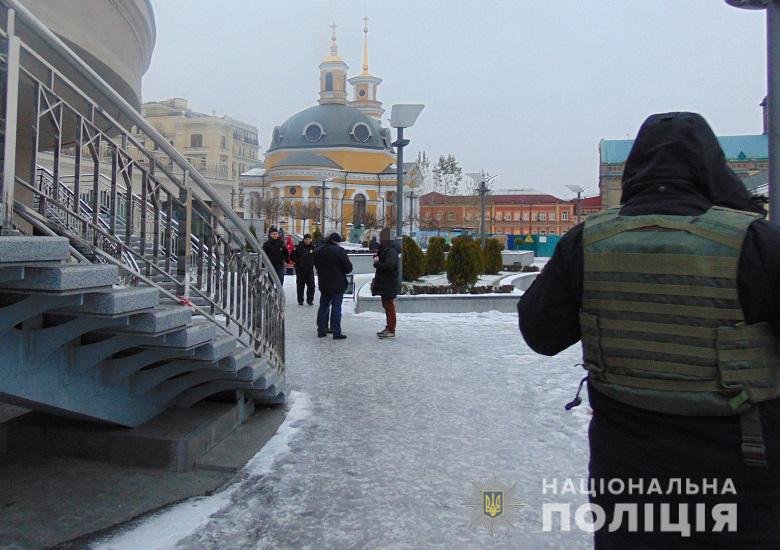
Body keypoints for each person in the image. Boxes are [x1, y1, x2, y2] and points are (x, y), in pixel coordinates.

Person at [518, 112, 780, 548]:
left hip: (626, 473)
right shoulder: (756, 243)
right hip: (744, 473)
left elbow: (540, 334)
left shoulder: (587, 242)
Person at [313, 232, 353, 340]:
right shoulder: (340, 251)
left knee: (323, 306)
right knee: (336, 307)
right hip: (337, 284)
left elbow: (316, 265)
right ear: (336, 241)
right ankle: (336, 332)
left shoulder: (319, 250)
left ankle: (321, 330)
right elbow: (348, 268)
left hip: (324, 283)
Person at [371, 228, 400, 338]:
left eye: (382, 237)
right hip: (386, 283)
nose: (380, 240)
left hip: (389, 283)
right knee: (387, 306)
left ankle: (391, 329)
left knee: (389, 306)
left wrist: (377, 263)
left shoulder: (391, 251)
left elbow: (389, 266)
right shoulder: (386, 249)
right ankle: (389, 327)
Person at [293, 233, 316, 306]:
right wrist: (299, 261)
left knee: (311, 285)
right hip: (300, 269)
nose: (308, 241)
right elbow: (293, 256)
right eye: (306, 239)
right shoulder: (299, 247)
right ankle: (300, 300)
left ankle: (310, 300)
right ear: (304, 239)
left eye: (309, 239)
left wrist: (314, 263)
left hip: (309, 270)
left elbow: (316, 257)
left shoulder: (313, 247)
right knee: (300, 286)